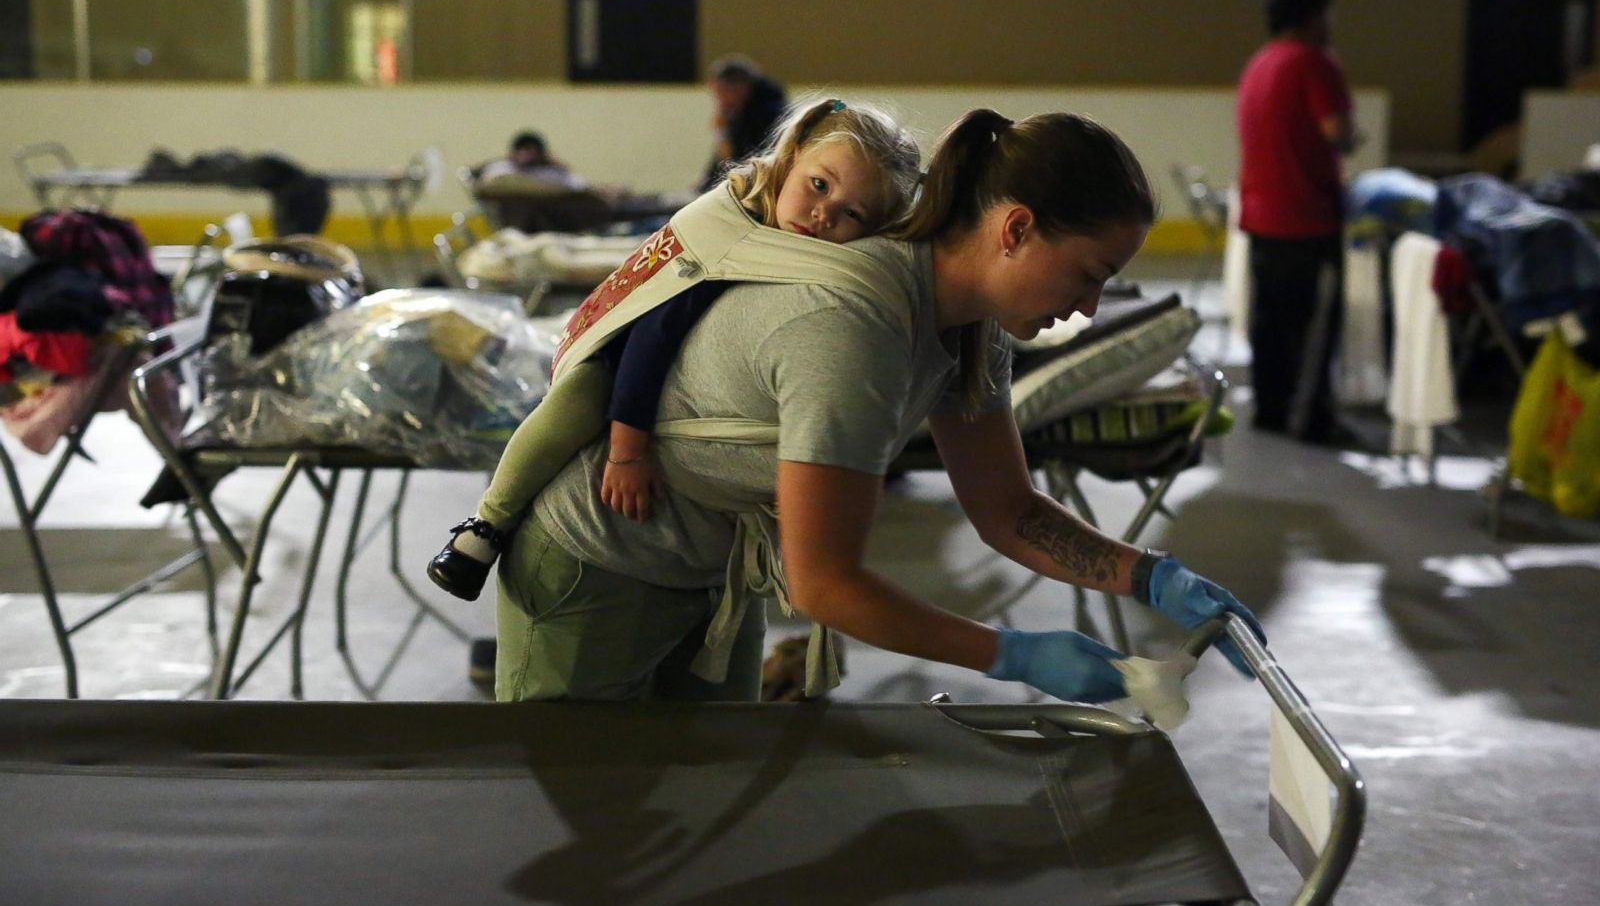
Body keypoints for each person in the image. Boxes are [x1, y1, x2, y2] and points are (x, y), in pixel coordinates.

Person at [493, 106, 1265, 705]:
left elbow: (1006, 510)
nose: (1091, 309)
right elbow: (823, 583)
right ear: (1016, 228)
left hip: (710, 571)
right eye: (1087, 275)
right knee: (586, 830)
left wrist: (1153, 576)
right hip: (597, 565)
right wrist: (1010, 654)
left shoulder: (972, 331)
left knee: (698, 815)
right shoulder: (853, 325)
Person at [429, 97, 921, 603]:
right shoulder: (731, 228)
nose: (822, 215)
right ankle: (484, 527)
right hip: (625, 350)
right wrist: (626, 452)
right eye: (818, 185)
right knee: (575, 401)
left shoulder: (806, 253)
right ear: (791, 156)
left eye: (851, 213)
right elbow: (651, 335)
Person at [1236, 0, 1360, 445]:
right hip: (1306, 217)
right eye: (1328, 14)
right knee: (1312, 331)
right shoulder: (1315, 62)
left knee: (1270, 325)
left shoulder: (1260, 63)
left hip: (1261, 215)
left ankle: (1271, 411)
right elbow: (1337, 133)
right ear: (1311, 16)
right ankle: (1312, 421)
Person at [700, 56, 788, 191]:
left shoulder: (766, 117)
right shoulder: (742, 112)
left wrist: (722, 131)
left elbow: (732, 162)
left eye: (720, 93)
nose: (719, 100)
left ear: (740, 89)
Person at [479, 130, 585, 190]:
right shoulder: (501, 167)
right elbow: (487, 185)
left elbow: (579, 186)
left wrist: (561, 167)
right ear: (514, 152)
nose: (527, 155)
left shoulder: (552, 172)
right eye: (523, 149)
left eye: (532, 151)